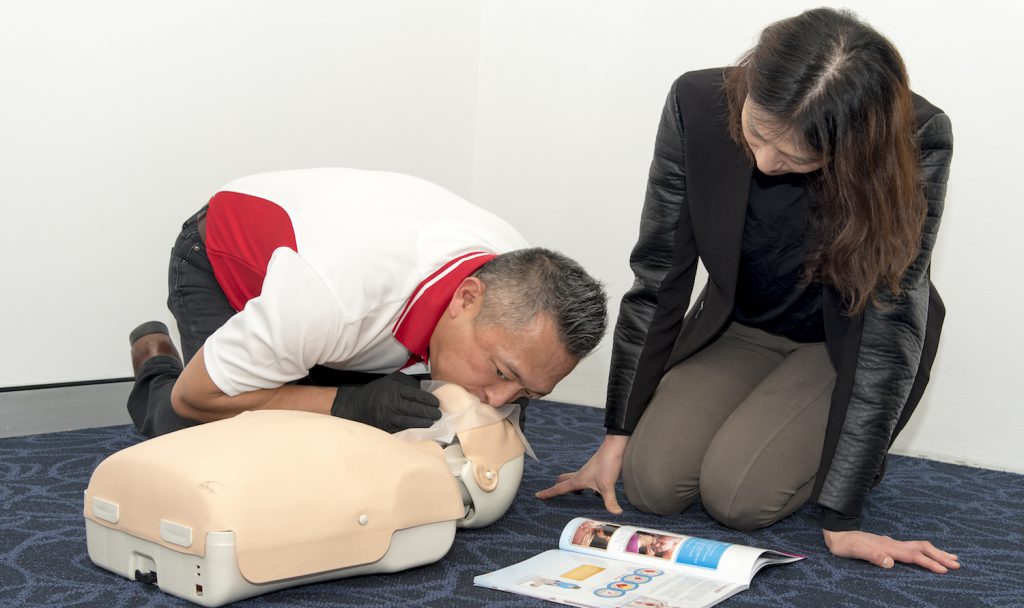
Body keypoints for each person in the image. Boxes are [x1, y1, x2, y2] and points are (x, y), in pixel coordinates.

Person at [538, 8, 959, 574]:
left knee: (739, 499)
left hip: (844, 342)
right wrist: (616, 435)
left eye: (797, 157)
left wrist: (843, 516)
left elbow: (889, 322)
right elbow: (661, 271)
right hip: (742, 325)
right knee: (651, 483)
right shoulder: (696, 101)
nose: (764, 161)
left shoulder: (916, 136)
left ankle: (821, 447)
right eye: (758, 133)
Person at [128, 167, 607, 438]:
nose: (500, 401)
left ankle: (307, 372)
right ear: (466, 297)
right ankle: (155, 361)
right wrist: (347, 402)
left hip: (341, 315)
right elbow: (198, 398)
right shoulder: (333, 296)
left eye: (527, 393)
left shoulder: (513, 273)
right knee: (208, 440)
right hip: (222, 264)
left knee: (371, 435)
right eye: (502, 374)